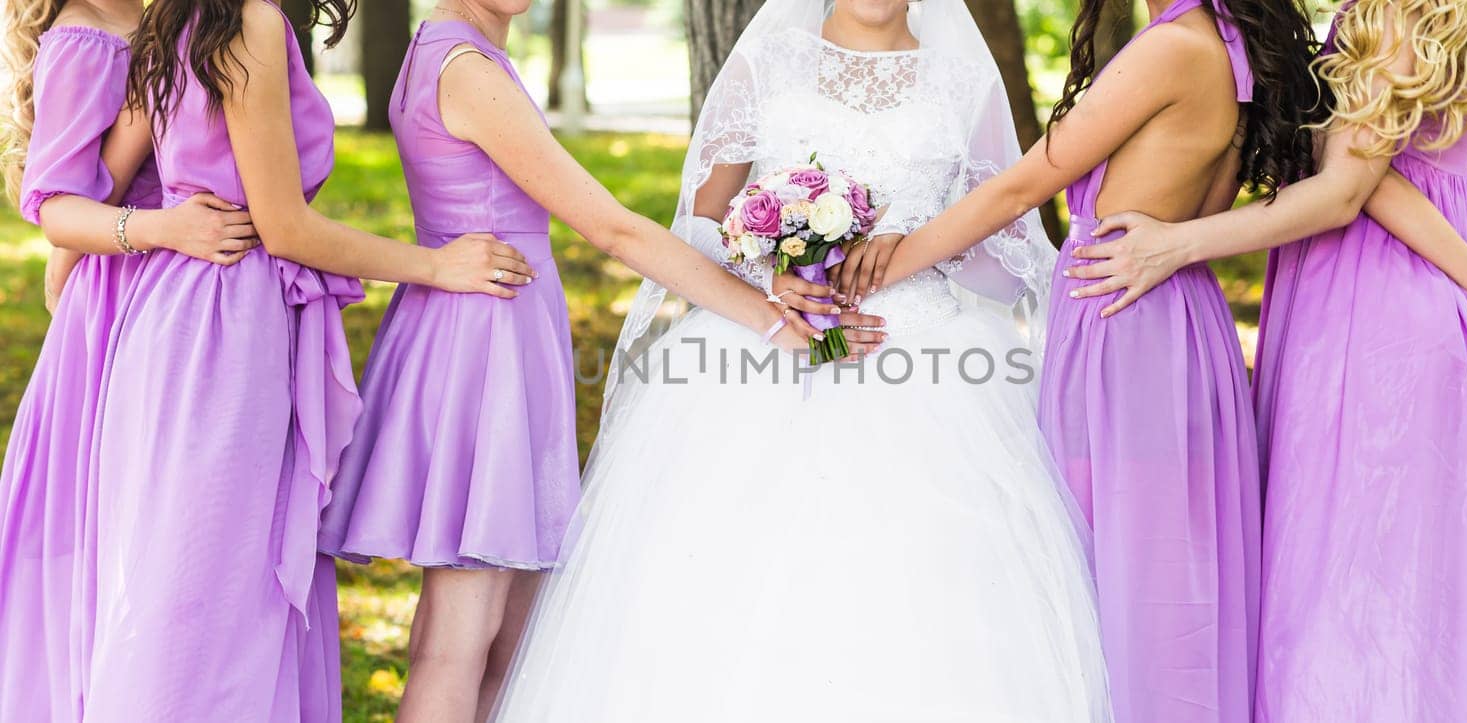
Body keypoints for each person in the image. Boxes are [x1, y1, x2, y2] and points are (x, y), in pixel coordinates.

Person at [488, 1, 1114, 721]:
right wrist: (767, 273)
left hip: (923, 362)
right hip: (761, 353)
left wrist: (920, 240)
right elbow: (697, 221)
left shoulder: (963, 82)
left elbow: (1003, 260)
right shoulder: (768, 63)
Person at [317, 2, 836, 721]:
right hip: (483, 349)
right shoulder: (465, 68)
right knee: (457, 638)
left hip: (496, 332)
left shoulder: (451, 49)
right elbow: (612, 228)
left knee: (510, 639)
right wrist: (763, 315)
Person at [1064, 0, 1467, 718]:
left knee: (1341, 586)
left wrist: (1176, 243)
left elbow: (1343, 192)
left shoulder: (1383, 21)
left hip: (1363, 324)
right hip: (1458, 331)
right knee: (1448, 591)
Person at [82, 0, 527, 718]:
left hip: (176, 314)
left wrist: (153, 228)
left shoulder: (181, 14)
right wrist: (435, 266)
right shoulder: (247, 19)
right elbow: (284, 227)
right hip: (225, 328)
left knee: (180, 582)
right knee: (214, 593)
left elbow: (97, 181)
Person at [0, 1, 257, 719]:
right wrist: (163, 228)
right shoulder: (87, 39)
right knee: (110, 534)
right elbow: (55, 209)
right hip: (119, 297)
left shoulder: (168, 21)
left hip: (173, 296)